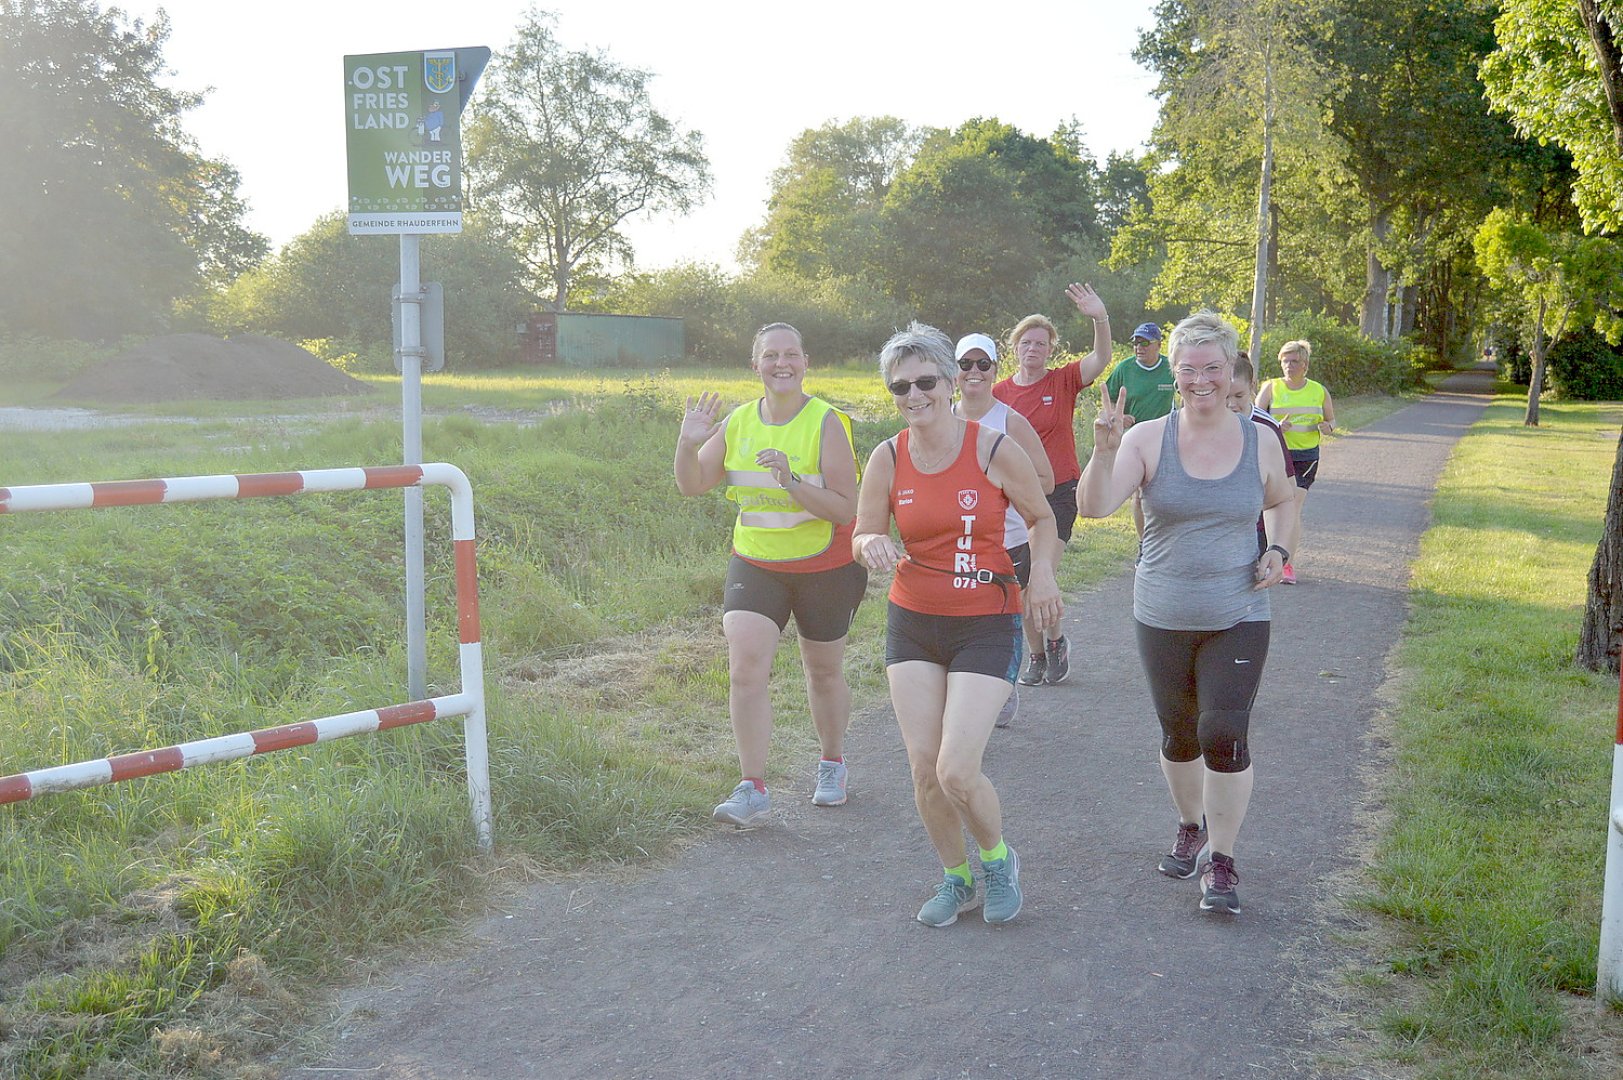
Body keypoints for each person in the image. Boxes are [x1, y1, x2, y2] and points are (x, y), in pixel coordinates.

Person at [1079, 312, 1298, 915]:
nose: (1201, 380)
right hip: (1162, 610)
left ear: (1232, 372)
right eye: (1188, 370)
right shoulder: (1147, 438)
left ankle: (1222, 861)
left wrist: (1278, 550)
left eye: (1213, 368)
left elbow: (1283, 503)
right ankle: (1190, 823)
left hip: (1240, 610)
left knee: (1222, 732)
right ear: (1174, 374)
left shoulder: (1260, 438)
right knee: (1180, 736)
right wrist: (1101, 453)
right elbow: (1095, 506)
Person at [853, 322, 1064, 927]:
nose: (913, 395)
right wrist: (870, 544)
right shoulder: (888, 456)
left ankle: (999, 861)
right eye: (900, 387)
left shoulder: (992, 449)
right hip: (913, 620)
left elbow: (1042, 518)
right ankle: (957, 878)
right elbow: (863, 529)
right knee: (923, 768)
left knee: (955, 769)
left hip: (987, 621)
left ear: (950, 382)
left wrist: (1042, 576)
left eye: (925, 381)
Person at [674, 323, 867, 826]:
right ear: (755, 365)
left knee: (822, 671)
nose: (781, 363)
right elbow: (693, 484)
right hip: (756, 562)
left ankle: (831, 762)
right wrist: (686, 444)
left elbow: (846, 509)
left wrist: (792, 481)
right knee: (745, 668)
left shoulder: (826, 421)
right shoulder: (737, 422)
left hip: (825, 565)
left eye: (791, 355)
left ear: (806, 363)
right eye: (770, 356)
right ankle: (752, 787)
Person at [992, 283, 1113, 687]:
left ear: (1050, 349)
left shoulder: (1062, 382)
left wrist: (1100, 317)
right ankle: (1038, 655)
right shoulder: (999, 393)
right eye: (1026, 342)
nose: (1033, 349)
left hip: (1059, 493)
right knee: (1019, 586)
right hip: (1013, 499)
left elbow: (1101, 359)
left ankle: (1056, 641)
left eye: (1041, 343)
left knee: (1039, 577)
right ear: (1014, 348)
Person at [953, 332, 1055, 729]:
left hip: (1007, 541)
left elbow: (1045, 480)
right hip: (954, 542)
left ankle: (1002, 685)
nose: (974, 372)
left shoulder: (1010, 420)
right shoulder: (941, 415)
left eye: (983, 364)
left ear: (996, 369)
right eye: (966, 364)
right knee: (959, 621)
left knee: (998, 621)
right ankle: (968, 693)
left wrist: (1001, 483)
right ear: (954, 371)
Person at [1255, 339, 1335, 585]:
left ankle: (1286, 564)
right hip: (1275, 456)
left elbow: (1332, 422)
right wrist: (1278, 426)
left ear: (1305, 365)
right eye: (1285, 361)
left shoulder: (1319, 390)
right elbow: (1255, 420)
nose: (1289, 365)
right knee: (1269, 508)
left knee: (1292, 507)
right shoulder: (1270, 388)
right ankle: (1264, 557)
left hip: (1306, 457)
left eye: (1294, 361)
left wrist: (1326, 426)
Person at [1104, 321, 1176, 551]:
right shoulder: (1124, 369)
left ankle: (1168, 540)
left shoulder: (1170, 367)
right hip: (1135, 441)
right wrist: (1118, 415)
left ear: (1158, 345)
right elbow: (1108, 399)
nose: (1139, 347)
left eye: (1145, 342)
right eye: (1135, 342)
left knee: (1168, 492)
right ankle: (1145, 544)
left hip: (1167, 437)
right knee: (1140, 495)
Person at [1227, 352, 1296, 558]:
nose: (1231, 405)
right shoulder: (1206, 422)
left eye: (1239, 396)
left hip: (1255, 526)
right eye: (1224, 396)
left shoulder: (1267, 427)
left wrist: (1278, 547)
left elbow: (1288, 487)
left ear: (1252, 385)